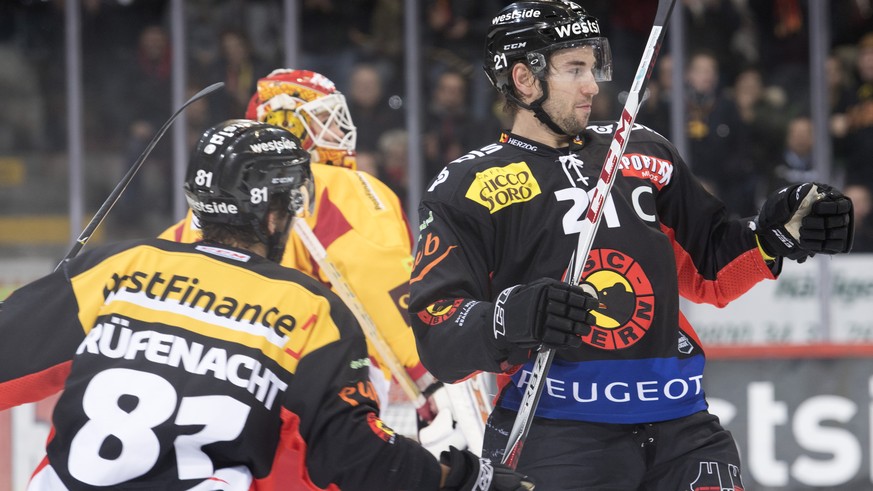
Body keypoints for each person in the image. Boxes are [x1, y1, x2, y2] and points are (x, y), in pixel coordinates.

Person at [407, 1, 855, 489]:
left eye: (593, 64)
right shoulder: (468, 185)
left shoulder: (642, 149)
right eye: (574, 68)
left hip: (682, 428)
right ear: (524, 79)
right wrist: (511, 315)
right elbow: (437, 330)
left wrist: (773, 236)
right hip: (556, 433)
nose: (591, 83)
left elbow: (710, 268)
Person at [0, 120, 533, 491]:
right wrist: (461, 478)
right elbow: (354, 456)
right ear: (275, 216)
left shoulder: (117, 267)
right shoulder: (308, 308)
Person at [159, 69, 475, 487]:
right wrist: (431, 377)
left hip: (205, 395)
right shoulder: (343, 185)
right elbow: (375, 277)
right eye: (324, 119)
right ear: (285, 123)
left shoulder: (197, 217)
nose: (338, 131)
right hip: (315, 398)